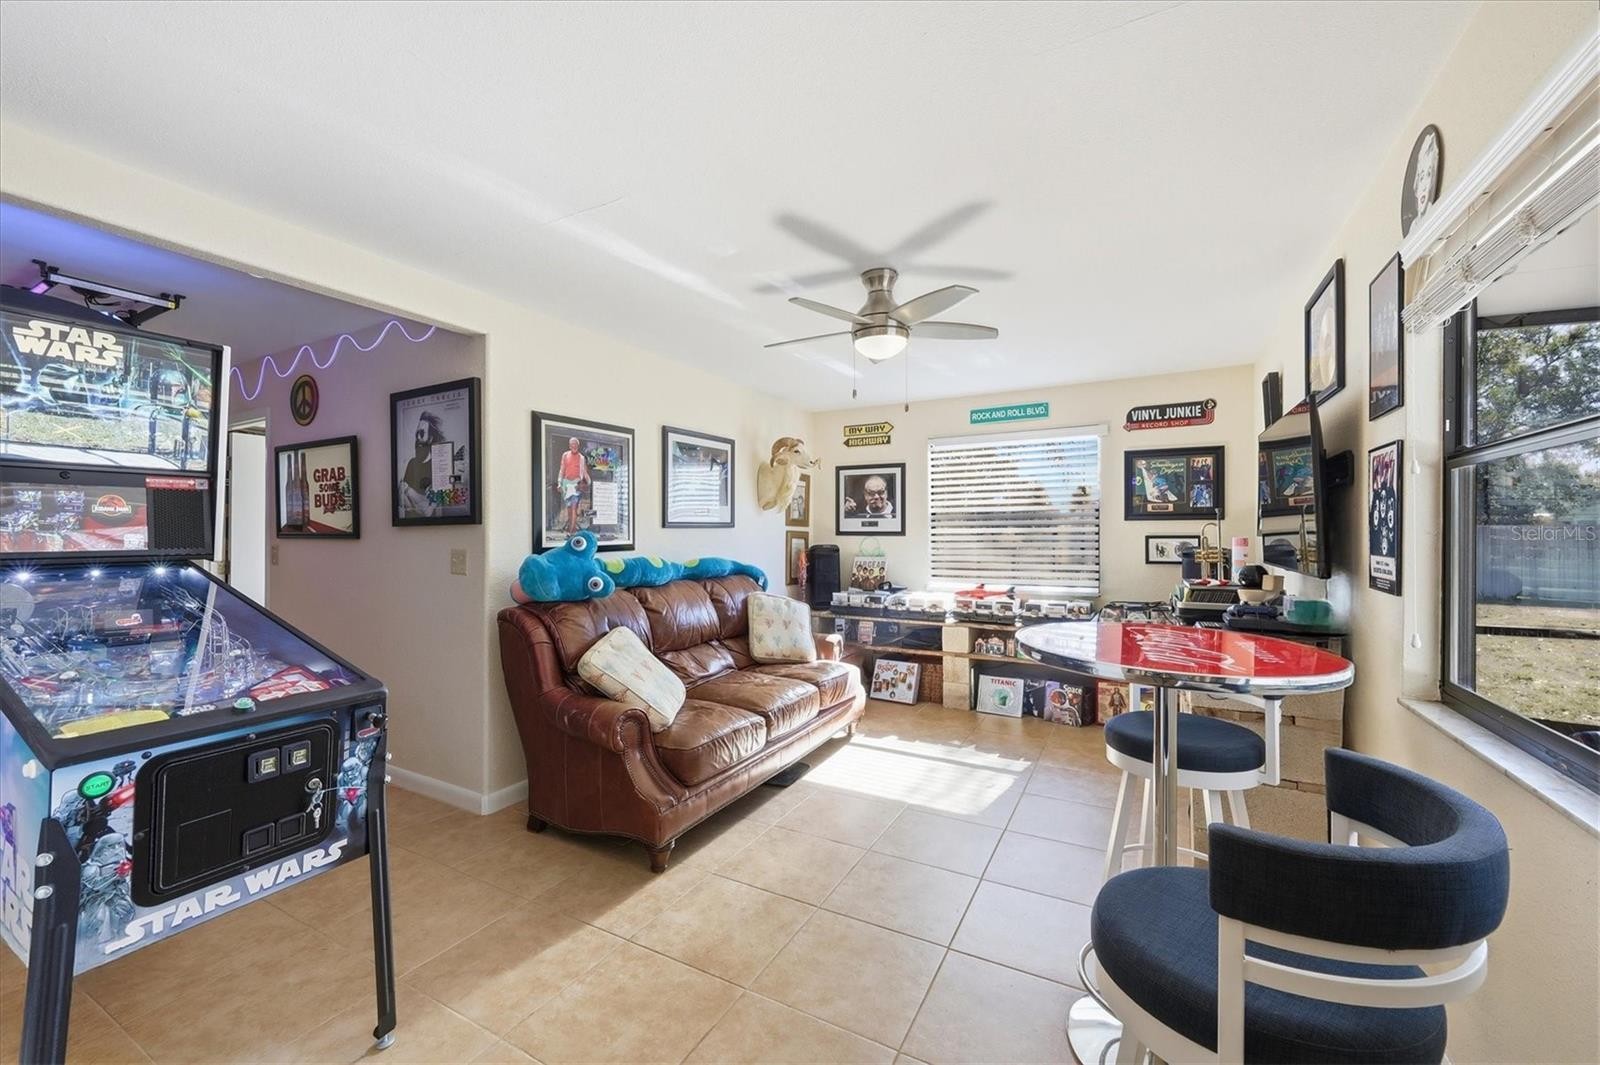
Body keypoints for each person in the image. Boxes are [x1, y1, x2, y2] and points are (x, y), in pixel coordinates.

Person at [400, 410, 444, 517]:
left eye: (422, 433)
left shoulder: (438, 466)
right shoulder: (411, 463)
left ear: (431, 438)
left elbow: (428, 511)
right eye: (416, 434)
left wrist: (408, 490)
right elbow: (402, 502)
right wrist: (421, 501)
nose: (418, 438)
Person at [558, 436, 590, 535]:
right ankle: (572, 528)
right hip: (566, 484)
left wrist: (588, 482)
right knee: (569, 508)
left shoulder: (581, 457)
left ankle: (571, 531)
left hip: (576, 484)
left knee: (574, 507)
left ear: (578, 446)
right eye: (572, 444)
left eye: (575, 444)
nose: (574, 446)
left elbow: (584, 472)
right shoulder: (565, 455)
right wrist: (559, 483)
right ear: (569, 446)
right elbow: (562, 469)